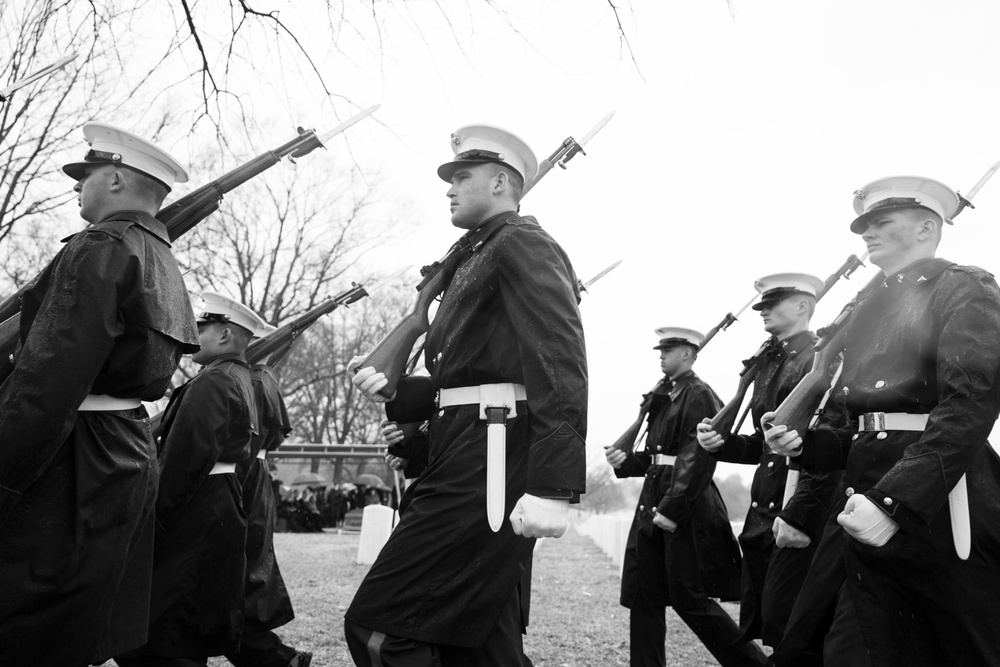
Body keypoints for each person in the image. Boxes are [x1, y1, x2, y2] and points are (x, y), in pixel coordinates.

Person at [346, 124, 588, 666]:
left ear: (501, 181)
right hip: (470, 447)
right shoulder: (478, 255)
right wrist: (400, 395)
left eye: (463, 176)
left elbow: (560, 361)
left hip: (491, 456)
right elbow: (469, 372)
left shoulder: (522, 243)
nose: (449, 188)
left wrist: (555, 483)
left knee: (380, 626)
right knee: (478, 645)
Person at [764, 176, 1000, 666]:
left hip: (935, 501)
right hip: (860, 497)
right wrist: (807, 445)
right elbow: (868, 428)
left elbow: (970, 404)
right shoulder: (872, 306)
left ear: (925, 229)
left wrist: (897, 502)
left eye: (882, 223)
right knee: (834, 646)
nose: (866, 234)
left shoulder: (964, 287)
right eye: (865, 225)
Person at [0, 122, 198, 666]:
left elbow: (47, 381)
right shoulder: (158, 254)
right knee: (70, 621)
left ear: (113, 177)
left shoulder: (100, 247)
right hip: (122, 449)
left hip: (70, 455)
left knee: (24, 621)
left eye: (84, 175)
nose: (75, 186)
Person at [116, 292, 269, 666]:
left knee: (167, 630)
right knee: (180, 624)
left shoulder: (215, 381)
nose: (191, 334)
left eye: (201, 328)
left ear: (224, 335)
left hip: (195, 508)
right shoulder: (235, 377)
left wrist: (155, 519)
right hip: (214, 503)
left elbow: (184, 459)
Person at [695, 274, 841, 650]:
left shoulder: (822, 357)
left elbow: (831, 445)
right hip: (763, 512)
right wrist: (719, 445)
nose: (763, 311)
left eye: (773, 304)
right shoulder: (768, 361)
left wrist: (801, 516)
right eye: (761, 305)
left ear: (804, 307)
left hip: (797, 503)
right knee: (773, 630)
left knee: (798, 633)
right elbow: (764, 445)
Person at [606, 328, 766, 667]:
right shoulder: (665, 392)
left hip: (685, 503)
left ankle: (754, 665)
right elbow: (659, 457)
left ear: (689, 354)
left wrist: (673, 508)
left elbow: (699, 455)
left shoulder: (698, 393)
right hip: (655, 496)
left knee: (690, 599)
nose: (661, 355)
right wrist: (626, 462)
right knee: (643, 595)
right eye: (661, 350)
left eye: (670, 349)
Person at [225, 362, 312, 667]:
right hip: (253, 475)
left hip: (244, 474)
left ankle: (279, 660)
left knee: (237, 580)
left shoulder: (256, 380)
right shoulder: (262, 379)